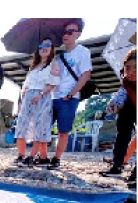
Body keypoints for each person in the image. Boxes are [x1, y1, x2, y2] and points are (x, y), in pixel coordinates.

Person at [49, 18, 92, 170]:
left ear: (78, 34)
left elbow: (85, 75)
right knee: (43, 127)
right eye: (64, 32)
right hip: (53, 96)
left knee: (63, 130)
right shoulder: (58, 56)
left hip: (69, 98)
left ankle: (56, 158)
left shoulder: (83, 52)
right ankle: (41, 156)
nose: (66, 35)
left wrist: (71, 94)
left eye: (70, 32)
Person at [14, 38, 60, 168]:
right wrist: (22, 100)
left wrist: (40, 94)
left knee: (40, 127)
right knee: (21, 126)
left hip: (42, 97)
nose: (44, 48)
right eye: (41, 46)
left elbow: (53, 84)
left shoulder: (53, 64)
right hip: (28, 98)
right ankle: (21, 155)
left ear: (51, 48)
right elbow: (26, 85)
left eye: (47, 45)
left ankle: (31, 156)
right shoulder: (34, 66)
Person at [100, 47, 136, 179]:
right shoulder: (126, 83)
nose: (131, 71)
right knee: (122, 134)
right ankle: (117, 165)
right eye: (128, 68)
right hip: (129, 106)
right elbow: (118, 98)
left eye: (136, 67)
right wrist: (113, 106)